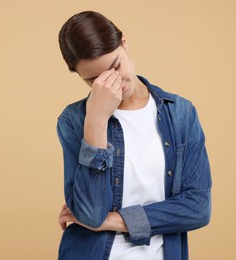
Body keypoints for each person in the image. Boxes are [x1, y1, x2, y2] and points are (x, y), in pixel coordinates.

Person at [56, 10, 212, 260]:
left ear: (124, 43)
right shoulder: (74, 120)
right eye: (94, 80)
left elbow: (198, 208)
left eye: (115, 66)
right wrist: (96, 121)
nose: (112, 82)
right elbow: (90, 213)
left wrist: (111, 221)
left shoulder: (181, 114)